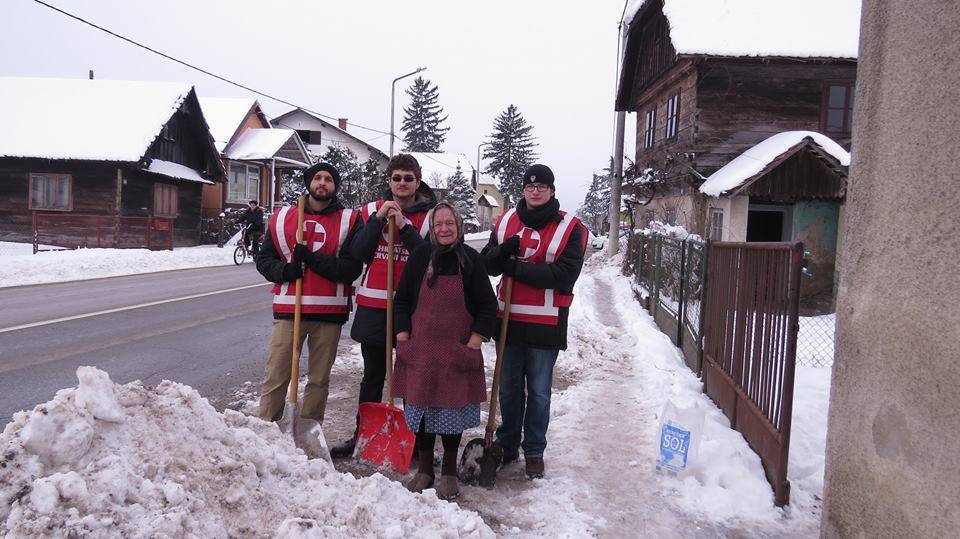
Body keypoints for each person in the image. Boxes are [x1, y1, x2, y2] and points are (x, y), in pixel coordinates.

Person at [480, 164, 588, 479]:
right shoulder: (506, 221)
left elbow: (564, 275)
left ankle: (534, 451)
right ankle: (507, 443)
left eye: (542, 186)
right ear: (524, 190)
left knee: (539, 391)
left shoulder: (572, 228)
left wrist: (515, 269)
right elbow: (487, 264)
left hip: (546, 323)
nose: (535, 190)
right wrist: (503, 253)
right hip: (508, 322)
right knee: (509, 390)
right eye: (530, 186)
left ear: (552, 190)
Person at [329, 153, 438, 458]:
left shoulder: (430, 216)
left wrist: (404, 227)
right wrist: (378, 222)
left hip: (413, 309)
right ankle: (363, 435)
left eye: (408, 178)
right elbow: (358, 253)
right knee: (373, 376)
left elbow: (429, 257)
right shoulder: (369, 212)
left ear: (417, 182)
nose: (402, 183)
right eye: (396, 178)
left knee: (413, 377)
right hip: (374, 305)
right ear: (388, 181)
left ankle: (415, 441)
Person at [392, 202, 498, 499]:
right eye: (438, 224)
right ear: (431, 228)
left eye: (449, 223)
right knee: (423, 414)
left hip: (455, 352)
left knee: (450, 415)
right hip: (421, 352)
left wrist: (475, 340)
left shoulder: (471, 261)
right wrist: (403, 335)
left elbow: (488, 306)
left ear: (459, 226)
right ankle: (425, 469)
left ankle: (449, 472)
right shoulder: (420, 257)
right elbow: (402, 301)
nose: (444, 229)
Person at [255, 163, 362, 424]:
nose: (322, 183)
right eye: (317, 178)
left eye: (328, 179)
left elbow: (350, 268)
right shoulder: (283, 219)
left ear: (335, 186)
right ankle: (266, 430)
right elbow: (264, 259)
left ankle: (309, 431)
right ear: (309, 183)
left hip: (329, 315)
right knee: (276, 375)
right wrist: (285, 271)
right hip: (289, 312)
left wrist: (312, 259)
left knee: (319, 380)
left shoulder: (349, 221)